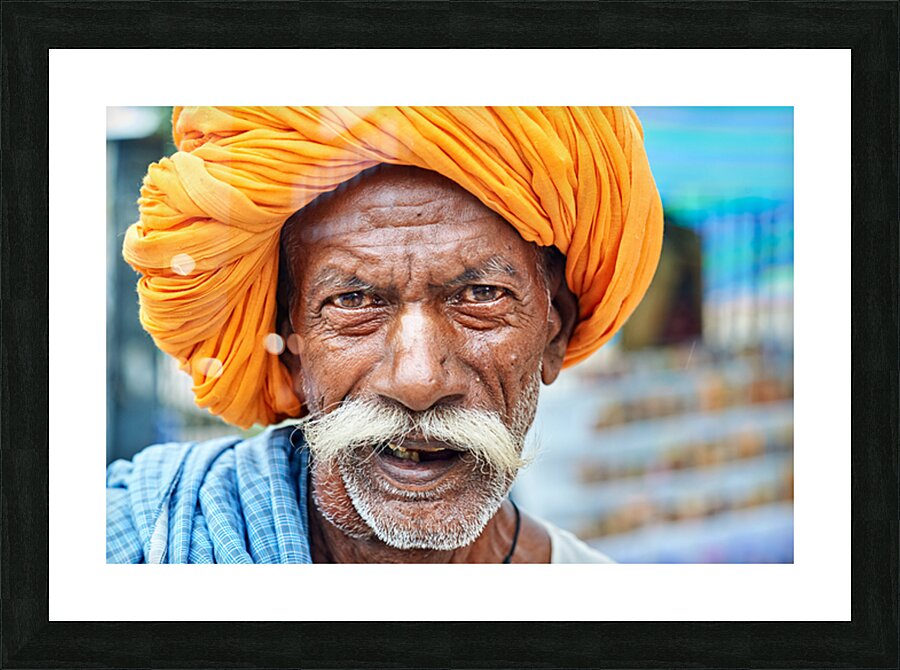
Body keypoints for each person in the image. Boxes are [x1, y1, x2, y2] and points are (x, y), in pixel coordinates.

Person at [107, 106, 663, 564]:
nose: (418, 381)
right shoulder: (124, 542)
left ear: (553, 332)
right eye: (353, 302)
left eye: (480, 296)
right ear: (291, 343)